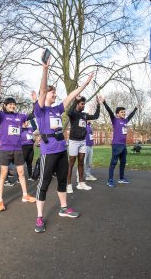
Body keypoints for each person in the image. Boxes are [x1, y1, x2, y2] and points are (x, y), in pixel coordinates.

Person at [33, 55, 93, 233]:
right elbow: (42, 90)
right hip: (48, 151)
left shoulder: (57, 109)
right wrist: (45, 69)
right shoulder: (40, 109)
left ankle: (64, 208)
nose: (55, 94)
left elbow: (71, 95)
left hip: (61, 150)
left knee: (61, 180)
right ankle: (39, 217)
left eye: (55, 93)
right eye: (53, 92)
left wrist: (84, 84)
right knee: (43, 184)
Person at [0, 89, 36, 212]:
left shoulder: (20, 116)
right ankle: (0, 200)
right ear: (5, 106)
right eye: (10, 104)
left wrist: (34, 102)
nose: (12, 106)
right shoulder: (2, 115)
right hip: (5, 149)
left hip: (18, 149)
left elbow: (33, 114)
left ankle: (25, 195)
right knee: (3, 175)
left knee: (21, 173)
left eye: (14, 104)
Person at [66, 95, 101, 193]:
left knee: (81, 162)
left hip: (83, 141)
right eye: (82, 104)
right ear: (77, 104)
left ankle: (81, 183)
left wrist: (98, 104)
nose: (84, 106)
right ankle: (68, 185)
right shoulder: (73, 114)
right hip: (73, 141)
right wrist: (75, 100)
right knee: (71, 164)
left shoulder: (84, 115)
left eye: (84, 104)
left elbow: (96, 116)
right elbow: (69, 112)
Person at [102, 99, 137, 187]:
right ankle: (110, 180)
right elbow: (109, 111)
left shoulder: (125, 121)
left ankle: (121, 178)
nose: (124, 114)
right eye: (122, 112)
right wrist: (104, 102)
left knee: (123, 162)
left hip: (123, 145)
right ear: (117, 114)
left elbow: (131, 115)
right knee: (113, 163)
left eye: (124, 112)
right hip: (116, 145)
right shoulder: (115, 120)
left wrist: (136, 108)